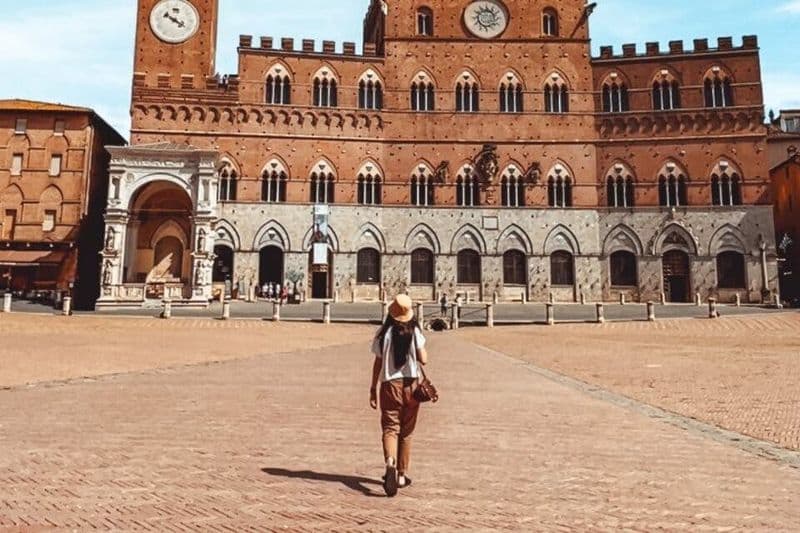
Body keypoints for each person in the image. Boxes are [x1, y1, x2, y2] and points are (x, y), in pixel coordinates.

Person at [369, 294, 429, 497]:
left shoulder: (383, 334)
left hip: (389, 385)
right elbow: (424, 359)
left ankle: (390, 463)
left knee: (390, 428)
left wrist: (372, 388)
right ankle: (402, 475)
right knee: (407, 431)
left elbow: (377, 363)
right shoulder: (415, 332)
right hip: (412, 386)